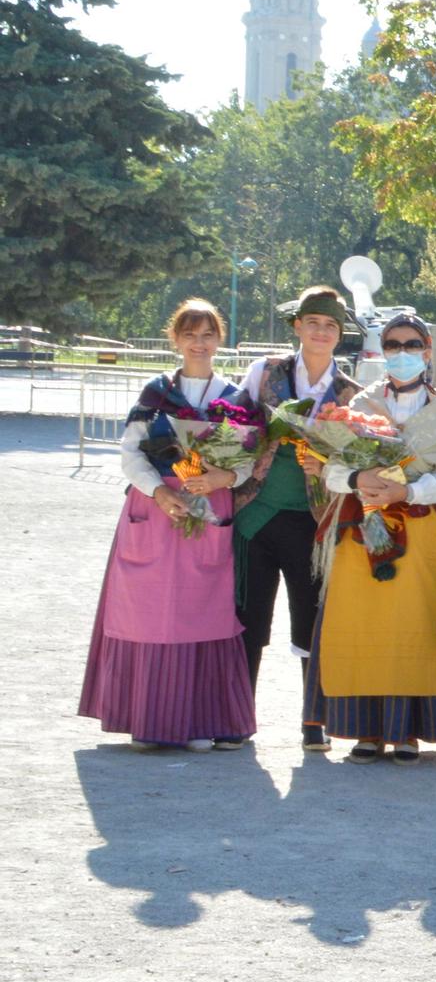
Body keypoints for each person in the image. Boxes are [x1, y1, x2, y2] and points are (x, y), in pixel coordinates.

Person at [80, 299, 258, 751]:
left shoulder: (235, 398)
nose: (199, 343)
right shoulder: (155, 392)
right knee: (151, 612)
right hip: (157, 509)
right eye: (190, 334)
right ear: (175, 340)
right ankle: (147, 717)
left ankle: (199, 720)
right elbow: (130, 452)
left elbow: (250, 458)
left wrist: (226, 477)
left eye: (208, 334)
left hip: (207, 503)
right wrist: (157, 491)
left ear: (220, 340)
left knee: (202, 612)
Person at [301, 313, 436, 762]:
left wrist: (407, 490)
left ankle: (407, 731)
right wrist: (360, 477)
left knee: (414, 627)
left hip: (422, 528)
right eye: (392, 345)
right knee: (362, 624)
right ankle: (365, 729)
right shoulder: (360, 405)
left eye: (411, 345)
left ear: (427, 351)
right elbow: (329, 470)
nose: (401, 353)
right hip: (361, 528)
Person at [232, 285, 361, 750]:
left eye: (330, 325)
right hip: (256, 514)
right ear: (297, 327)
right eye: (312, 323)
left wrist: (326, 467)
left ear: (340, 334)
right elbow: (235, 428)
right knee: (248, 617)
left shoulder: (351, 393)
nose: (320, 332)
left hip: (314, 520)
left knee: (311, 619)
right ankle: (237, 716)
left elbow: (359, 462)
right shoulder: (265, 371)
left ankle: (314, 720)